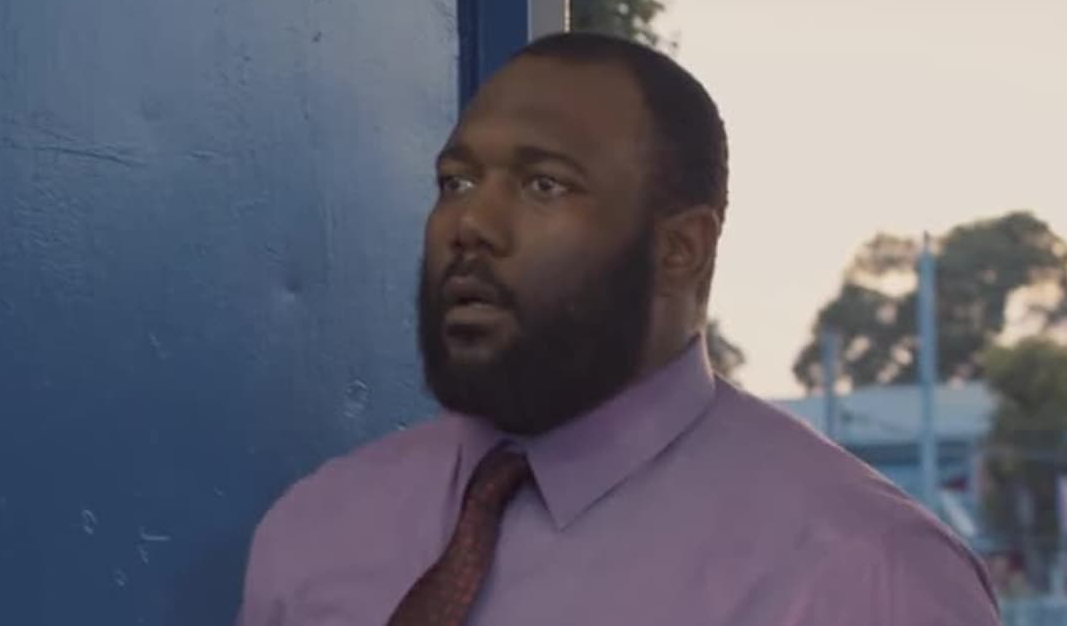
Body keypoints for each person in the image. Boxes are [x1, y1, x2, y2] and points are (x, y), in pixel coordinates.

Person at [236, 31, 999, 625]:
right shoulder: (317, 531)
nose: (471, 223)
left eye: (544, 185)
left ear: (680, 249)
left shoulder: (867, 574)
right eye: (456, 181)